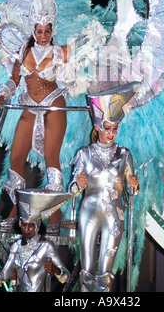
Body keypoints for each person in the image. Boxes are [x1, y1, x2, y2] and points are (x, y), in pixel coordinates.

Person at [0, 20, 75, 228]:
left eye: (47, 31)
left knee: (50, 157)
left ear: (52, 31)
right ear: (33, 30)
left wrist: (66, 62)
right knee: (16, 158)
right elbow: (14, 81)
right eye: (39, 31)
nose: (44, 35)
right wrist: (2, 96)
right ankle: (15, 210)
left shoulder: (59, 51)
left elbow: (71, 84)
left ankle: (55, 218)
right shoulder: (23, 51)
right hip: (28, 105)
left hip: (53, 104)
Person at [69, 84, 140, 292]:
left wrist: (134, 185)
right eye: (107, 128)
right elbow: (73, 190)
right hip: (89, 212)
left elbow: (133, 191)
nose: (111, 133)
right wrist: (78, 184)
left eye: (115, 129)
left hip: (115, 214)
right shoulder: (84, 153)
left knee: (105, 274)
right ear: (98, 127)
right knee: (87, 271)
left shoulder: (125, 154)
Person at [0, 217, 69, 292]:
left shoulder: (45, 246)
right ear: (20, 224)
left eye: (31, 225)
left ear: (37, 225)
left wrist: (56, 270)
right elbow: (3, 276)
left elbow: (66, 277)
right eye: (24, 225)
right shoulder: (16, 246)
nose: (27, 229)